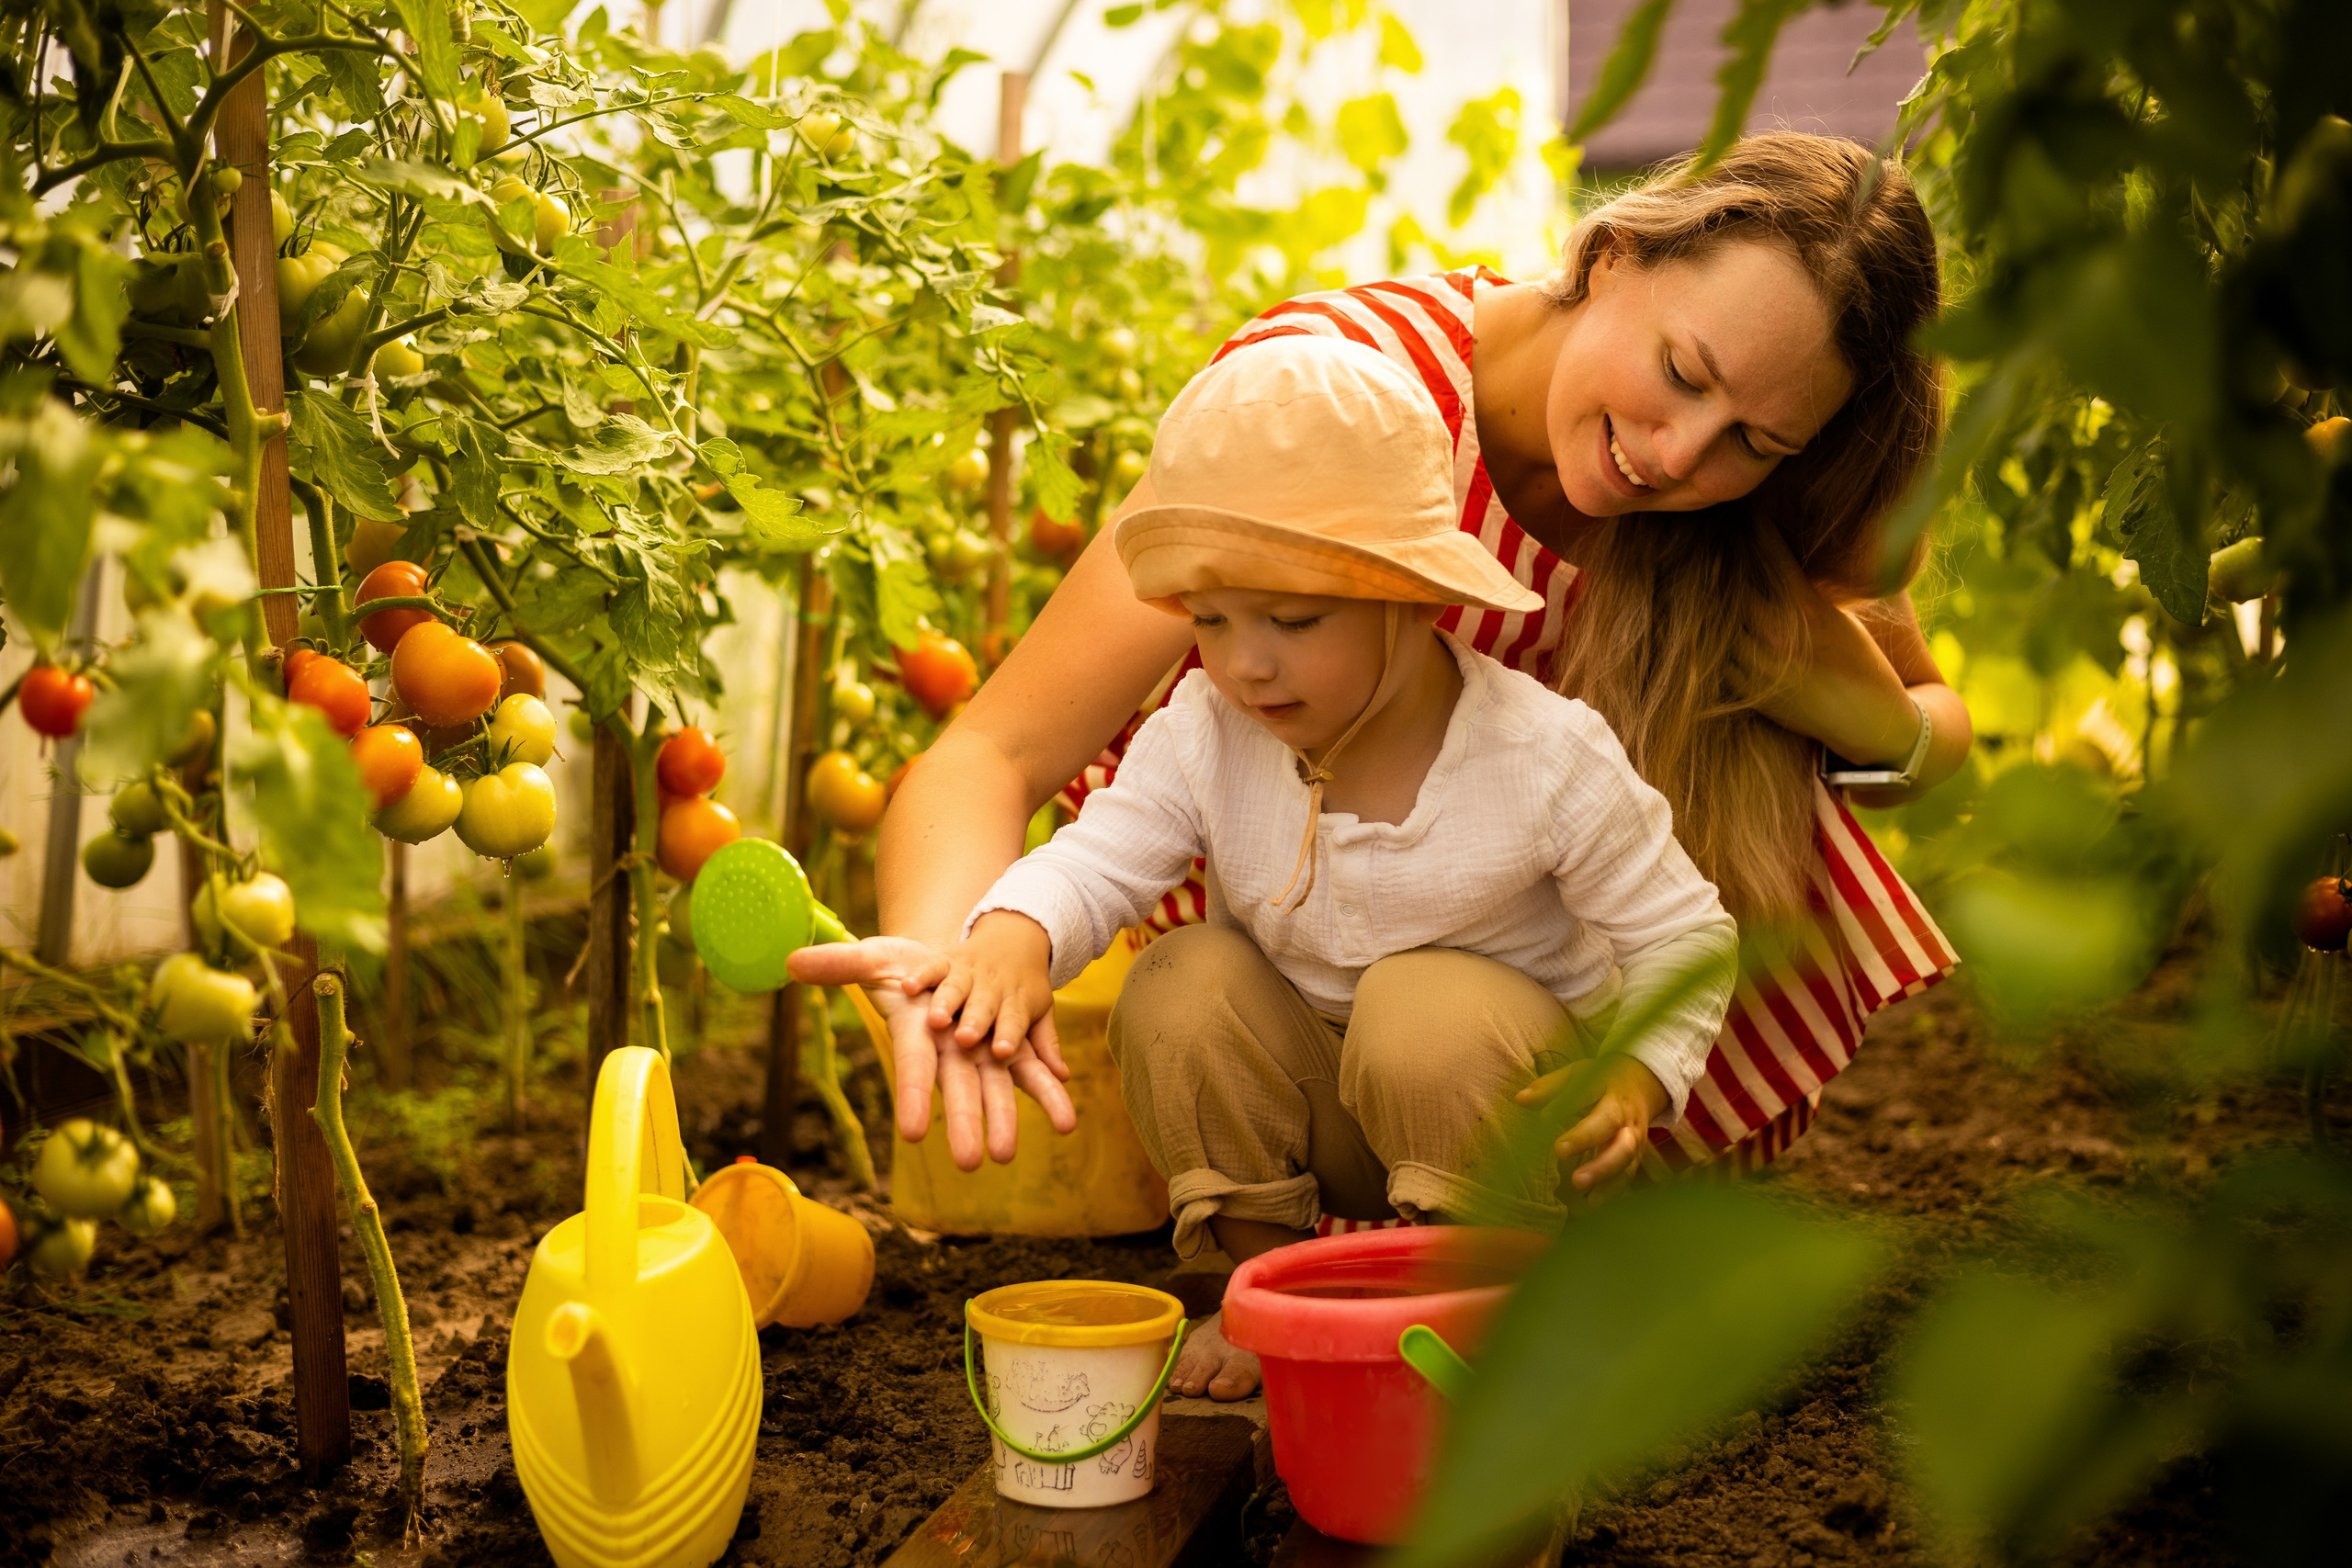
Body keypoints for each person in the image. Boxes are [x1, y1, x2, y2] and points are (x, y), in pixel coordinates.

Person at [793, 132, 1973, 1400]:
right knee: (1219, 996)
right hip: (1305, 1023)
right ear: (1616, 250)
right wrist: (954, 957)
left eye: (1754, 439)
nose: (1682, 455)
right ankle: (1290, 1281)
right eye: (1682, 372)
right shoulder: (1341, 413)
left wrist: (1843, 701)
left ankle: (1492, 1316)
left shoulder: (1728, 518)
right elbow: (999, 746)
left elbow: (1931, 736)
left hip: (1549, 1076)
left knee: (1437, 1025)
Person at [890, 331, 1741, 1268]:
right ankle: (1254, 1285)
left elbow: (1682, 935)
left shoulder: (1541, 755)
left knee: (1420, 1011)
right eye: (1210, 621)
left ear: (1413, 597)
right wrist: (1017, 933)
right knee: (1179, 981)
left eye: (1294, 621)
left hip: (1502, 1124)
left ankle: (1479, 1301)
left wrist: (1632, 1076)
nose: (1246, 664)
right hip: (1322, 1105)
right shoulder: (1210, 726)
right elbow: (1099, 860)